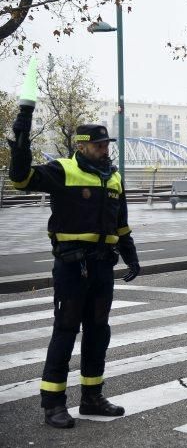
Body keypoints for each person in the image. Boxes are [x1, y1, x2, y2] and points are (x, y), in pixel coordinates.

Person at [7, 121, 140, 429]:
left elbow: (121, 224)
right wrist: (21, 150)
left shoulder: (114, 178)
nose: (105, 149)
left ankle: (92, 397)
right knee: (66, 331)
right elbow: (22, 180)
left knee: (98, 331)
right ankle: (53, 404)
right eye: (98, 145)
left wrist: (131, 256)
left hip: (102, 265)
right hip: (72, 266)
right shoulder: (63, 170)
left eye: (107, 144)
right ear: (81, 146)